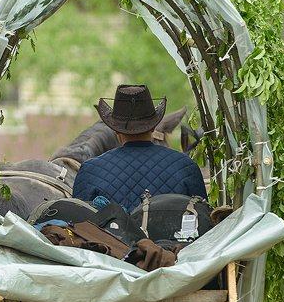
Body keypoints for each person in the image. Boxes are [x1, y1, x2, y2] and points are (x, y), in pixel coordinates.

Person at [72, 83, 206, 211]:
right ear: (154, 127)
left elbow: (79, 225)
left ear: (115, 130)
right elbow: (203, 217)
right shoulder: (186, 166)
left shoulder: (90, 171)